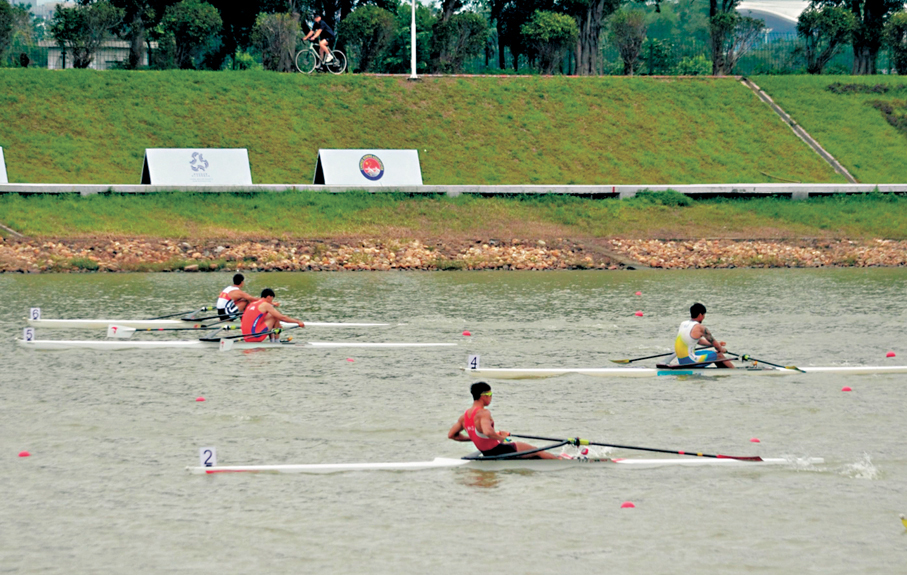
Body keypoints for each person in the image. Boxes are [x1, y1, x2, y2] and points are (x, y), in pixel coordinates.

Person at [448, 382, 565, 459]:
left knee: (527, 451)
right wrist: (501, 437)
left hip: (488, 453)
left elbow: (452, 435)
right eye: (490, 394)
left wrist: (474, 438)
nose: (491, 397)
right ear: (484, 396)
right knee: (537, 451)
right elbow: (488, 432)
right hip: (499, 450)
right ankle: (560, 461)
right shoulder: (483, 413)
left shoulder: (464, 417)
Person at [674, 302, 735, 368]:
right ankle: (735, 372)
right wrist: (721, 348)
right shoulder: (700, 327)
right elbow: (713, 342)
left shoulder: (683, 324)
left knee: (710, 353)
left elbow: (699, 341)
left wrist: (717, 344)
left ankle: (723, 373)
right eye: (704, 315)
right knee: (718, 355)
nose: (704, 317)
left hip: (681, 360)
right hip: (690, 360)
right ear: (700, 315)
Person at [240, 288, 305, 342]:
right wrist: (298, 322)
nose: (272, 301)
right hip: (255, 337)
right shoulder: (265, 305)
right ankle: (276, 341)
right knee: (275, 316)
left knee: (271, 316)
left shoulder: (253, 304)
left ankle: (273, 340)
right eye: (272, 298)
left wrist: (278, 325)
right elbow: (283, 318)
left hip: (246, 337)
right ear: (268, 297)